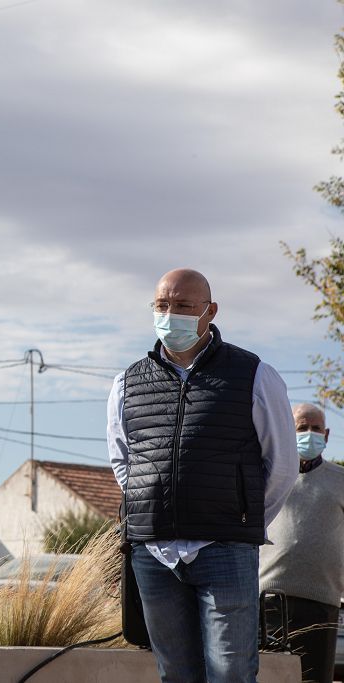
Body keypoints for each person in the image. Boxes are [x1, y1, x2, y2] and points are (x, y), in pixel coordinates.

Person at [106, 268, 297, 683]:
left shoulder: (254, 374)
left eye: (183, 306)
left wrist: (242, 520)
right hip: (153, 555)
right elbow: (124, 461)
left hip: (224, 550)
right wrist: (150, 508)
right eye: (161, 305)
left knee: (230, 672)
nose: (169, 314)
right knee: (175, 674)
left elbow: (282, 464)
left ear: (210, 311)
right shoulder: (127, 382)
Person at [259, 403, 344, 683]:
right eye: (301, 428)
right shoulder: (268, 476)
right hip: (269, 598)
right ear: (287, 431)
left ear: (327, 434)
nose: (310, 433)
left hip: (323, 600)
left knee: (315, 678)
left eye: (316, 428)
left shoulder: (340, 480)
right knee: (268, 676)